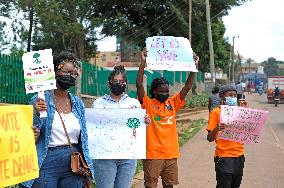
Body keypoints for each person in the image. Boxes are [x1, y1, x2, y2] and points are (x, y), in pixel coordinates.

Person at [21, 51, 94, 188]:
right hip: (46, 161)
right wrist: (36, 113)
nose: (70, 76)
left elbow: (84, 139)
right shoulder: (40, 100)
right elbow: (30, 134)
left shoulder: (78, 103)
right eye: (66, 72)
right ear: (55, 72)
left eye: (73, 73)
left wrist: (88, 172)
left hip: (73, 162)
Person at [136, 48, 199, 188]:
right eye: (161, 92)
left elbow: (188, 87)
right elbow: (139, 85)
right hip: (152, 154)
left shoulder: (172, 103)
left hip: (171, 154)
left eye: (167, 91)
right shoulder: (147, 103)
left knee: (169, 185)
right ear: (154, 91)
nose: (165, 94)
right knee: (150, 185)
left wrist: (194, 66)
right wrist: (143, 62)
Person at [91, 65, 147, 188]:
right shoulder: (99, 104)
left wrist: (144, 122)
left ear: (126, 83)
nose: (118, 84)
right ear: (109, 83)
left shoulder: (134, 103)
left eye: (121, 82)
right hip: (105, 156)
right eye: (115, 81)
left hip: (128, 157)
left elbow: (137, 128)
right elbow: (92, 128)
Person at [207, 85, 248, 188]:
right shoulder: (215, 113)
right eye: (230, 95)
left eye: (235, 95)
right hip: (224, 157)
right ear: (222, 97)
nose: (233, 97)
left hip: (239, 156)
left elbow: (247, 131)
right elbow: (209, 138)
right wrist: (217, 129)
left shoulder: (240, 112)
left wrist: (246, 112)